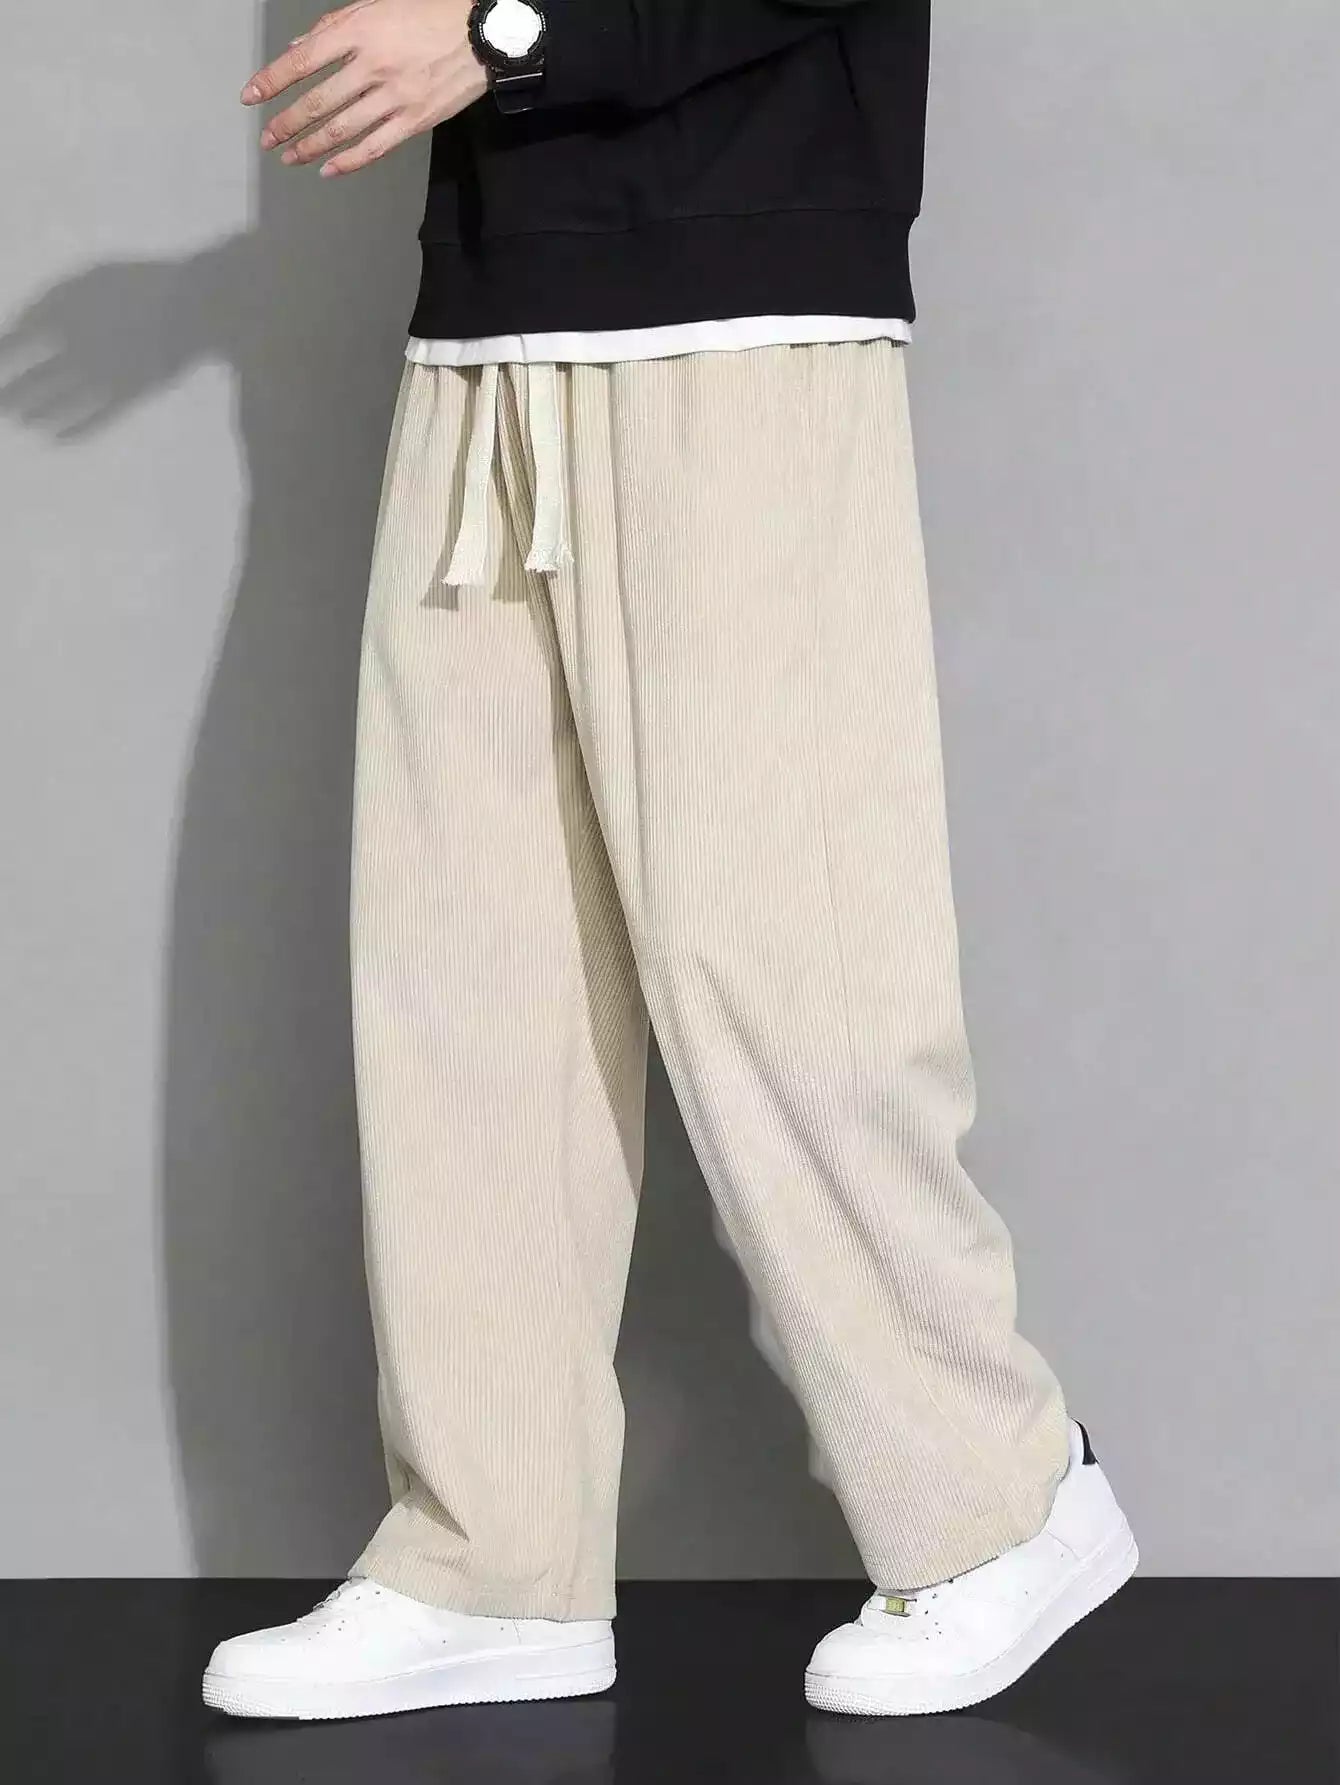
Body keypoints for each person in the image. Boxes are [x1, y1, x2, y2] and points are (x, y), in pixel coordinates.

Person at [204, 0, 1137, 1723]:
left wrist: (503, 32)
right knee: (467, 974)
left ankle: (999, 1499)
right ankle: (493, 1553)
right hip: (492, 313)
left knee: (781, 947)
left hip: (740, 312)